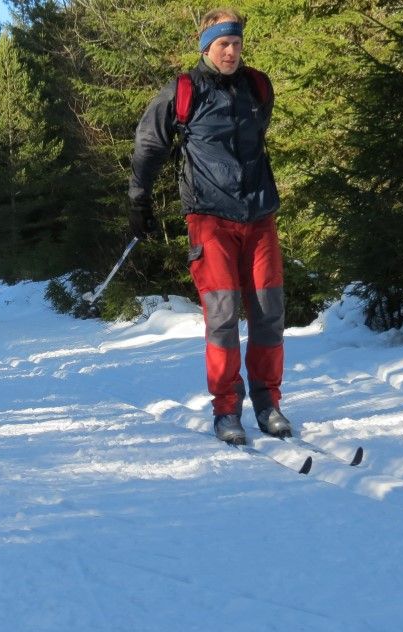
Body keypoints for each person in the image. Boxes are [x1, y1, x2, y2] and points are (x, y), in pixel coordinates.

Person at [128, 7, 291, 445]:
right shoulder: (184, 90)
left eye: (236, 44)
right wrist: (138, 199)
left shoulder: (258, 86)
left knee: (268, 315)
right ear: (207, 46)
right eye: (223, 44)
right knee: (222, 319)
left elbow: (257, 138)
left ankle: (268, 404)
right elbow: (148, 145)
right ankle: (226, 411)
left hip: (260, 215)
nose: (232, 52)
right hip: (209, 218)